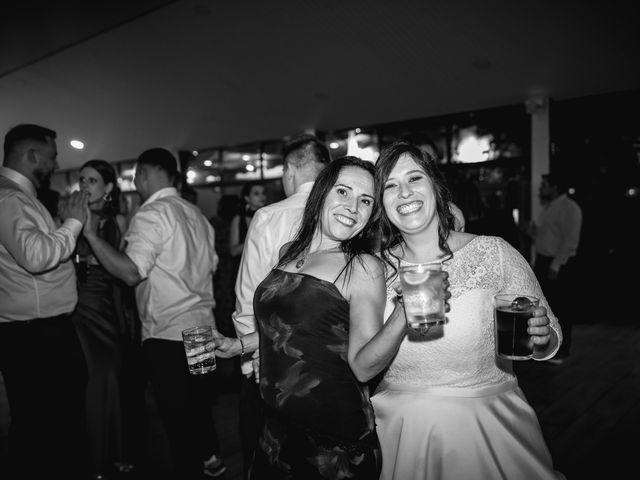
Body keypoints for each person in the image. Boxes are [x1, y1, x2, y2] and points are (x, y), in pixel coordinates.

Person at [370, 140, 565, 480]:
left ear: (436, 188)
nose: (404, 193)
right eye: (390, 185)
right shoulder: (371, 271)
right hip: (400, 435)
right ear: (381, 203)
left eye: (414, 178)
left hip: (489, 428)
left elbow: (549, 336)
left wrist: (543, 338)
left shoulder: (494, 252)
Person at [216, 156, 399, 478]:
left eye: (365, 200)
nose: (353, 206)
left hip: (330, 436)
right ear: (322, 193)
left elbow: (365, 364)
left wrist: (406, 314)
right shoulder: (289, 250)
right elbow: (292, 329)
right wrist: (237, 345)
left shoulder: (362, 267)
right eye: (343, 192)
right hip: (274, 426)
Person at [81, 148, 226, 479]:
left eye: (135, 176)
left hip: (167, 333)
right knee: (199, 407)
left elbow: (131, 272)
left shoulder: (151, 215)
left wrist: (89, 234)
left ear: (143, 174)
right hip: (203, 328)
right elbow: (212, 267)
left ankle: (190, 469)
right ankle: (213, 461)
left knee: (176, 419)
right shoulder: (197, 215)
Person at [225, 133, 331, 478]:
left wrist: (252, 365)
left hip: (276, 360)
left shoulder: (269, 216)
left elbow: (247, 296)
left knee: (273, 452)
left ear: (288, 170)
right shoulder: (346, 213)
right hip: (332, 363)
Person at [0, 123, 90, 479]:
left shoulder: (19, 196)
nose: (55, 165)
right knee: (44, 427)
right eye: (52, 157)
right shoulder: (9, 197)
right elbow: (36, 257)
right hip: (35, 336)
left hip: (35, 331)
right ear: (32, 155)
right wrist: (72, 223)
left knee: (43, 423)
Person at [71, 159, 135, 479]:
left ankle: (113, 452)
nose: (84, 186)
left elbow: (123, 268)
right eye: (82, 180)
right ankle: (90, 457)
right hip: (72, 307)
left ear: (108, 187)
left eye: (92, 180)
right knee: (81, 384)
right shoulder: (67, 217)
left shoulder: (119, 220)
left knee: (107, 379)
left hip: (105, 307)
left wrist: (91, 243)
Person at [531, 172, 583, 365]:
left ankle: (562, 351)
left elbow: (570, 241)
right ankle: (548, 348)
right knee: (546, 306)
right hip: (544, 261)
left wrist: (555, 266)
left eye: (544, 185)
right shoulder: (547, 208)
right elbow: (545, 236)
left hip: (560, 263)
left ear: (554, 187)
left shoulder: (570, 208)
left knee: (562, 307)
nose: (540, 188)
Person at [229, 181, 267, 276]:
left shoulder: (268, 216)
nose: (261, 197)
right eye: (256, 193)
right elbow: (233, 251)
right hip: (246, 270)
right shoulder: (238, 219)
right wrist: (254, 238)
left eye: (263, 193)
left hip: (265, 268)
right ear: (247, 198)